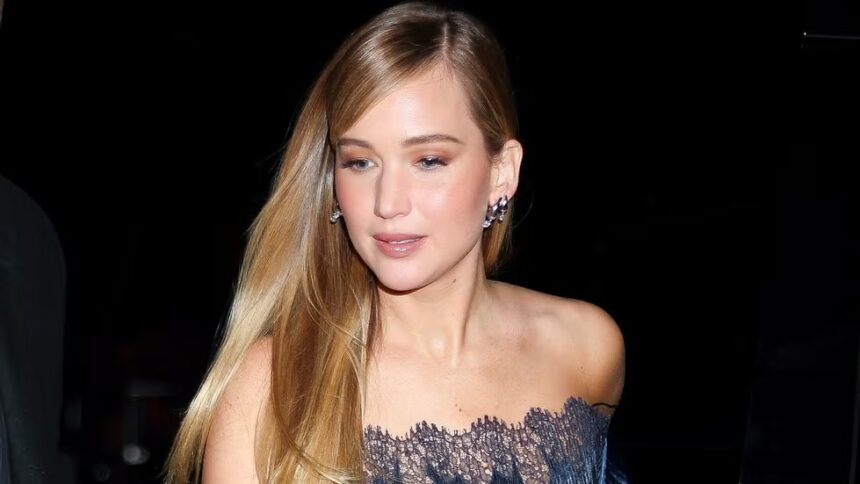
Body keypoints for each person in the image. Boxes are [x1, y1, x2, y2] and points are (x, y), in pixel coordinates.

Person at [164, 2, 626, 482]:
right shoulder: (274, 388)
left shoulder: (586, 347)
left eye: (428, 160)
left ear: (501, 172)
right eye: (360, 162)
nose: (387, 203)